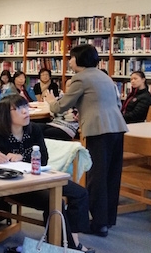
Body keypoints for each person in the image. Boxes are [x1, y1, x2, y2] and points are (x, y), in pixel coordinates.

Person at [0, 94, 95, 253]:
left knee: (80, 193)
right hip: (19, 185)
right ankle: (71, 247)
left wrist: (23, 158)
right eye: (18, 109)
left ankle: (70, 242)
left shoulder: (34, 130)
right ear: (6, 114)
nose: (25, 111)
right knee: (54, 201)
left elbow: (44, 159)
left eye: (25, 107)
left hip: (39, 177)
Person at [45, 43, 128, 237]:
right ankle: (107, 219)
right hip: (117, 127)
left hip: (98, 130)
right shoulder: (105, 76)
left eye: (72, 57)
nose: (70, 61)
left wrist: (50, 100)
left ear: (79, 59)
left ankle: (98, 225)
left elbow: (60, 107)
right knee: (111, 175)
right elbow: (114, 102)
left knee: (96, 177)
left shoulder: (80, 78)